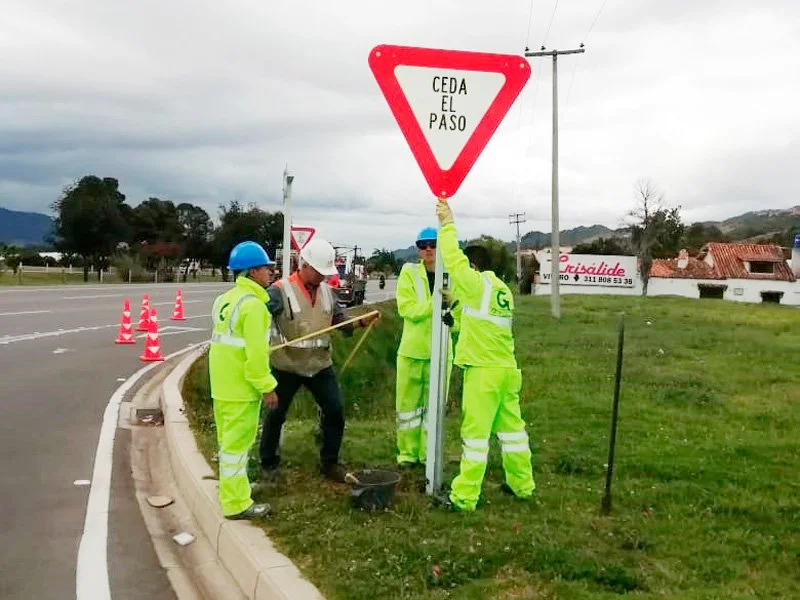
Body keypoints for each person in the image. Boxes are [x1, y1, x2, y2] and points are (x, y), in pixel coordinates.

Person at [435, 200, 536, 511]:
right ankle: (522, 485)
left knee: (475, 436)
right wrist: (456, 313)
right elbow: (480, 324)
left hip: (483, 373)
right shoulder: (502, 291)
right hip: (507, 371)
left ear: (474, 267)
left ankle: (464, 497)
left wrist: (447, 224)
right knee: (512, 432)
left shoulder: (476, 285)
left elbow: (453, 259)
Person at [259, 237, 380, 482]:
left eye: (325, 272)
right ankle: (268, 463)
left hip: (319, 365)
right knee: (276, 414)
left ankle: (330, 463)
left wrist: (359, 322)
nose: (322, 276)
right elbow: (259, 317)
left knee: (334, 411)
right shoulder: (278, 291)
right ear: (304, 265)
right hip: (286, 365)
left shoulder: (327, 292)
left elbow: (338, 319)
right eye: (318, 271)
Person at [208, 241, 279, 520]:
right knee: (237, 446)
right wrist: (267, 386)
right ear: (252, 272)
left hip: (222, 385)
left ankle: (236, 488)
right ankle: (237, 503)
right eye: (265, 268)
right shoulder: (254, 308)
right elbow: (256, 356)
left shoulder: (224, 300)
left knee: (228, 444)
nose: (270, 272)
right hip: (241, 388)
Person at [394, 226, 459, 468]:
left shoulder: (452, 275)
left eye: (433, 244)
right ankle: (407, 454)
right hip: (412, 352)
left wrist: (452, 319)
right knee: (408, 408)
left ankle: (427, 454)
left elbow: (460, 313)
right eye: (423, 245)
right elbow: (407, 309)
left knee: (434, 408)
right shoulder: (409, 273)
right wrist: (436, 305)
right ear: (418, 249)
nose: (428, 249)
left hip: (441, 353)